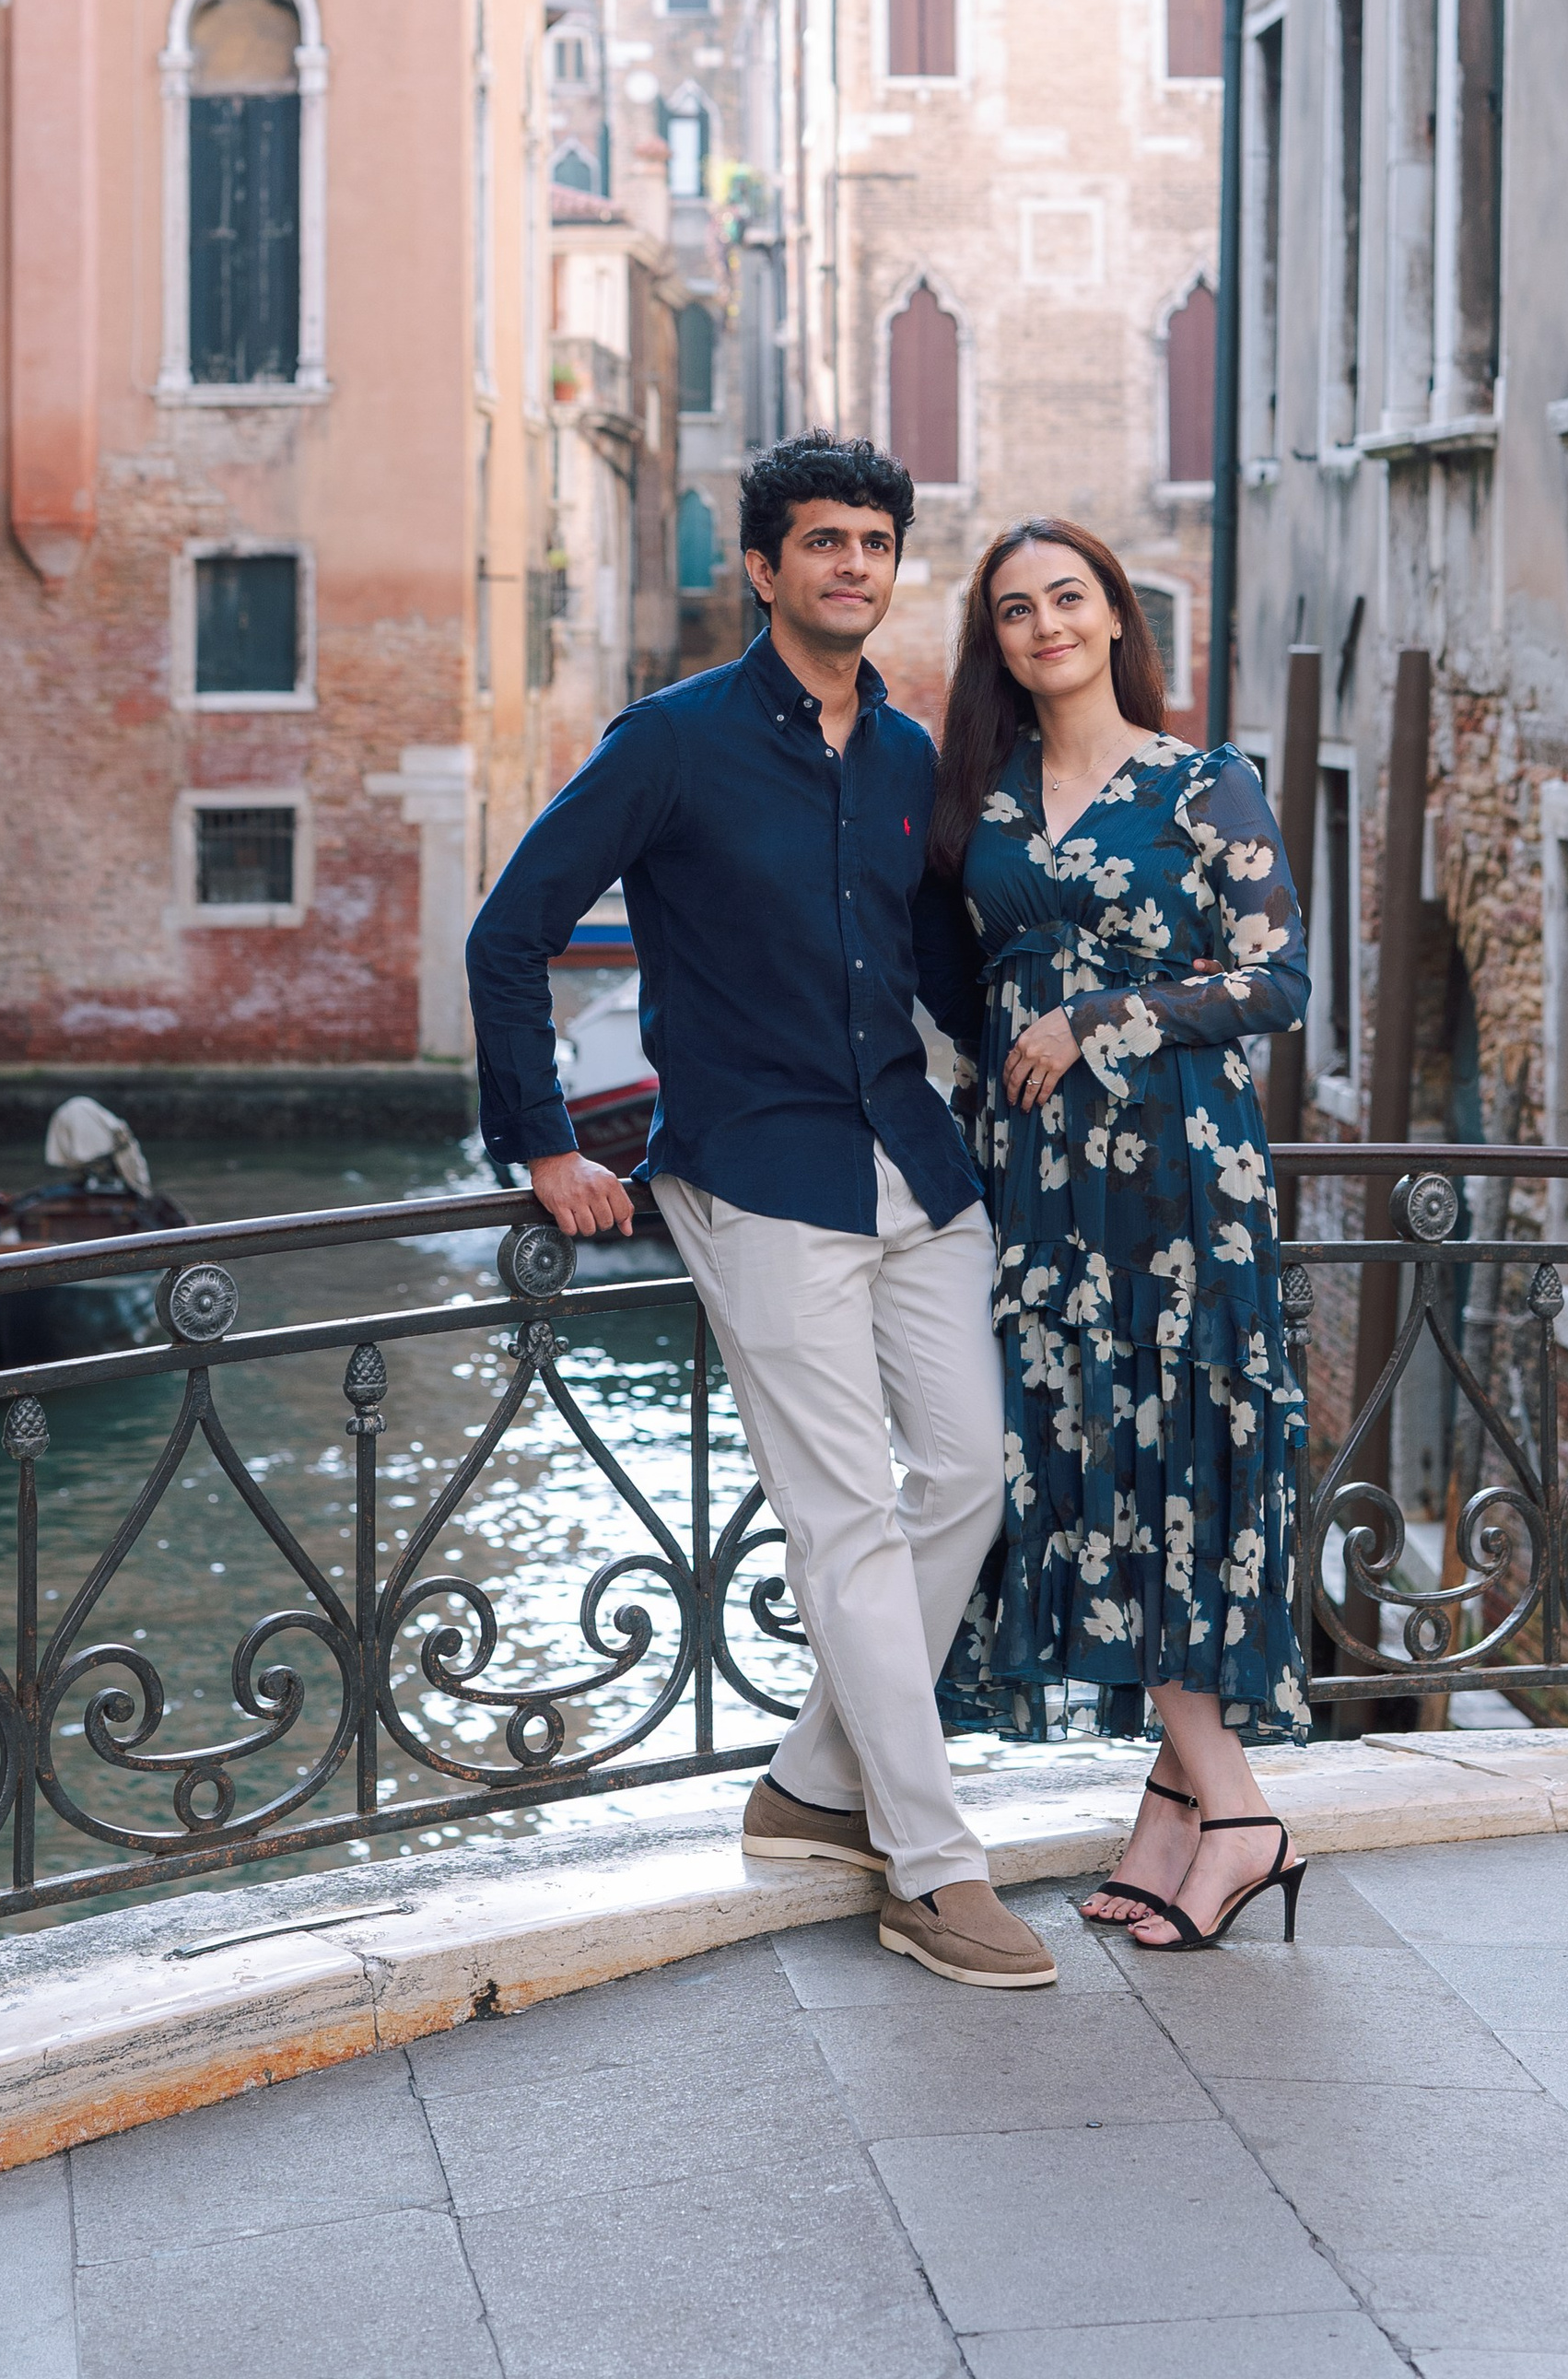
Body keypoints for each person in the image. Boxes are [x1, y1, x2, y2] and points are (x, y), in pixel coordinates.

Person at [465, 435, 1052, 1989]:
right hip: (755, 1172)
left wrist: (1075, 1048)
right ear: (766, 567)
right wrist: (545, 1150)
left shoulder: (913, 757)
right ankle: (931, 1866)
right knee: (845, 1513)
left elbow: (943, 973)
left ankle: (811, 1783)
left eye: (876, 543)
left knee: (973, 1482)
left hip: (916, 1167)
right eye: (825, 544)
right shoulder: (670, 743)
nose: (853, 567)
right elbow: (508, 934)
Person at [929, 519, 1313, 1953]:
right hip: (1036, 1186)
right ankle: (1174, 1804)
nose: (1045, 626)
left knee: (1179, 1465)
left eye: (1068, 599)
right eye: (1016, 609)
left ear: (1114, 617)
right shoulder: (984, 794)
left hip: (1179, 1185)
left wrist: (1097, 1020)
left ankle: (1240, 1814)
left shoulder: (1203, 781)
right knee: (1088, 1461)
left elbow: (1281, 983)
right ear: (998, 640)